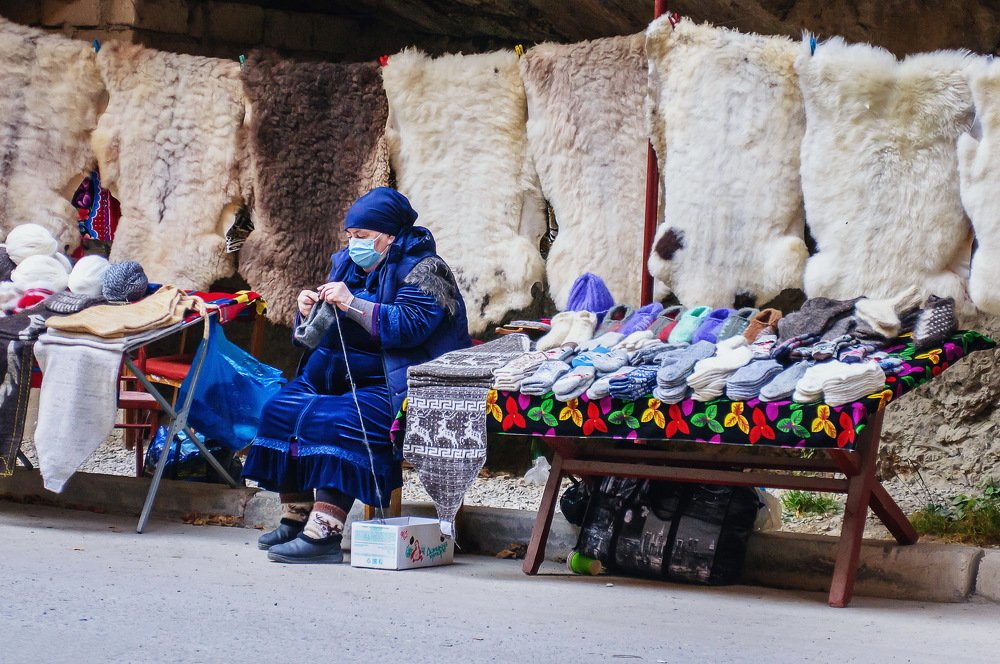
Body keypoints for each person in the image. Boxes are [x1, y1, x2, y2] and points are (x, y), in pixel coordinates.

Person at [243, 187, 471, 563]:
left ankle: (324, 535)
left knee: (342, 422)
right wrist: (306, 311)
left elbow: (408, 326)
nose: (354, 244)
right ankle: (296, 517)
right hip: (332, 379)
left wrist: (351, 303)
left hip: (390, 384)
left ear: (390, 237)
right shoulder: (346, 265)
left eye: (363, 238)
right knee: (279, 410)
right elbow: (316, 334)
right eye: (350, 236)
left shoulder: (426, 270)